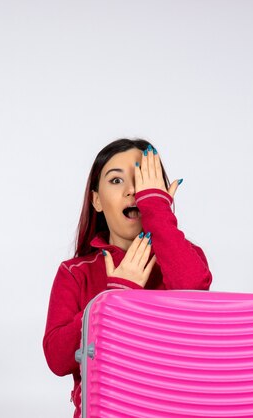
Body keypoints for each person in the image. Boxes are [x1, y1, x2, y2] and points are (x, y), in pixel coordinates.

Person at [42, 138, 212, 417]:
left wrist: (158, 211)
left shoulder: (187, 257)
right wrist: (111, 301)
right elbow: (58, 360)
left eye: (141, 178)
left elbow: (194, 292)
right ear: (96, 200)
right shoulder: (75, 272)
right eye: (117, 180)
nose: (133, 190)